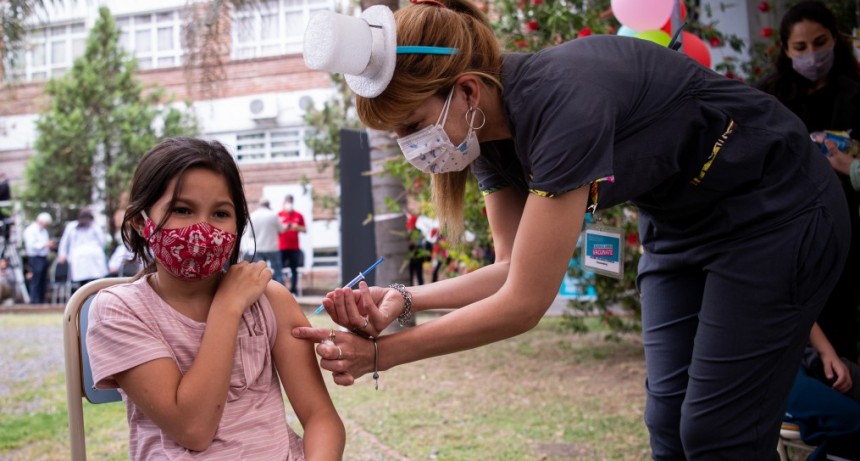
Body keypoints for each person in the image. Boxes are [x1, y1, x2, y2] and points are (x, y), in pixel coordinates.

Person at [295, 1, 852, 459]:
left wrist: (385, 355)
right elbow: (510, 267)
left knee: (717, 434)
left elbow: (526, 302)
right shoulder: (485, 133)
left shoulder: (563, 100)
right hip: (682, 226)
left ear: (465, 91)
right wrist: (401, 299)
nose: (409, 146)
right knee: (667, 424)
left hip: (777, 209)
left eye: (411, 126)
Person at [86, 137, 344, 459]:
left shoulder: (269, 300)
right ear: (141, 222)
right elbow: (193, 428)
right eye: (182, 209)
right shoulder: (119, 310)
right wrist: (228, 307)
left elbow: (321, 418)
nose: (203, 229)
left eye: (221, 213)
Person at [757, 0, 860, 365]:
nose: (812, 55)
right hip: (791, 228)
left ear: (836, 39)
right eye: (801, 48)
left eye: (820, 42)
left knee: (846, 320)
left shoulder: (855, 91)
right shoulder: (767, 98)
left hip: (849, 226)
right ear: (786, 49)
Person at [57, 207, 108, 289]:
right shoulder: (71, 227)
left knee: (95, 281)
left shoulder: (95, 227)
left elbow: (102, 242)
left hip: (94, 259)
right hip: (78, 259)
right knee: (81, 283)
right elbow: (64, 242)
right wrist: (62, 254)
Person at [248, 198, 287, 285]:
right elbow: (282, 230)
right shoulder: (273, 215)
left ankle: (263, 292)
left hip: (259, 248)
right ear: (269, 205)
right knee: (277, 271)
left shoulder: (253, 215)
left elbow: (250, 235)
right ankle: (281, 291)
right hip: (272, 248)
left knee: (260, 272)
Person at [22, 212, 54, 304]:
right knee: (36, 278)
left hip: (43, 257)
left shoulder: (44, 231)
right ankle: (34, 300)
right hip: (35, 257)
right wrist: (45, 245)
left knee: (43, 279)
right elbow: (31, 245)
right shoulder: (31, 230)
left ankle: (41, 299)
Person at [278, 195, 306, 295]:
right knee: (279, 268)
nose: (289, 204)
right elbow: (275, 230)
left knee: (294, 269)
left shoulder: (298, 215)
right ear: (284, 202)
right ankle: (280, 290)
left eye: (291, 202)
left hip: (294, 247)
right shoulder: (279, 215)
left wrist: (296, 227)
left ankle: (293, 290)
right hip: (281, 247)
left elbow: (304, 229)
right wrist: (284, 227)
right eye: (287, 202)